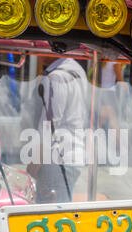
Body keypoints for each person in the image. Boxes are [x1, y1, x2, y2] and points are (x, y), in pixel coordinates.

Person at [26, 56, 88, 204]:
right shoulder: (77, 70)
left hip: (56, 160)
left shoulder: (56, 77)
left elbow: (49, 125)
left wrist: (35, 163)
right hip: (71, 157)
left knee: (49, 220)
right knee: (62, 216)